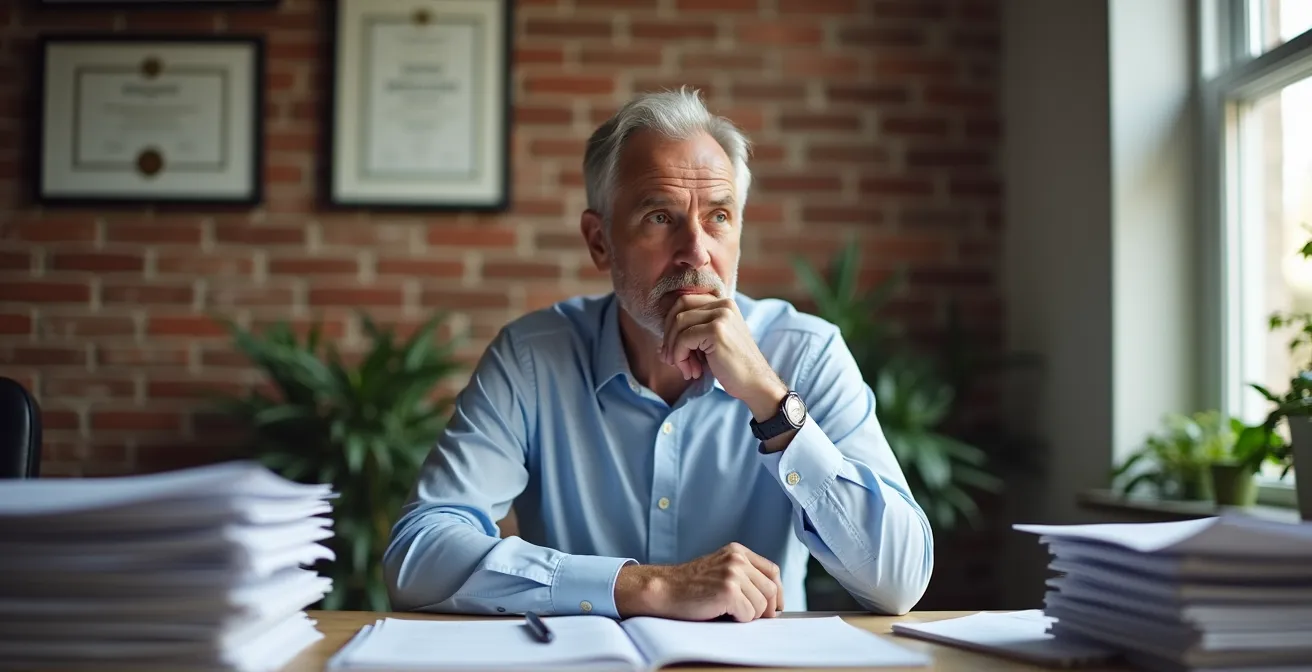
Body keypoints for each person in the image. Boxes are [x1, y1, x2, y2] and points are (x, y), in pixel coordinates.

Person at [383, 88, 933, 623]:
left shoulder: (807, 353)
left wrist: (771, 403)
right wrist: (644, 586)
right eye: (660, 217)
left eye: (719, 216)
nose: (696, 251)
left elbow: (900, 582)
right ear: (599, 241)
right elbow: (417, 555)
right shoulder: (532, 359)